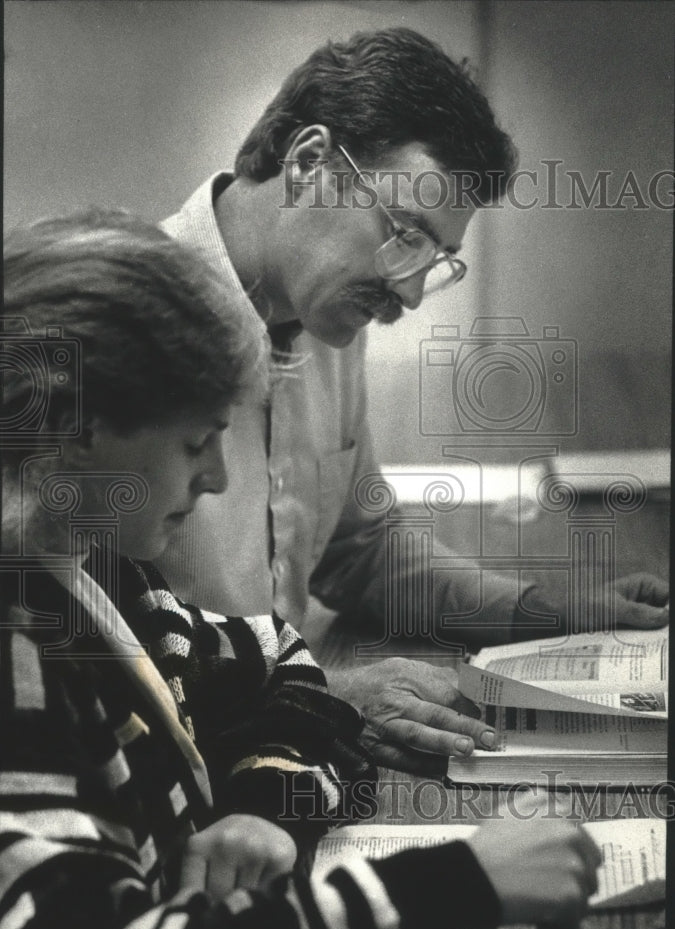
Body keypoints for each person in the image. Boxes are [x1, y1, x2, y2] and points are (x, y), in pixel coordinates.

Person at [0, 211, 602, 929]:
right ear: (79, 433)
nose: (217, 478)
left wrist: (259, 808)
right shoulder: (23, 669)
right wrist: (459, 885)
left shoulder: (106, 574)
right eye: (194, 444)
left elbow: (283, 663)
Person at [155, 26, 670, 775]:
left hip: (285, 757)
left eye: (434, 262)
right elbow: (75, 649)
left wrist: (558, 615)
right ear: (307, 163)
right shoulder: (115, 328)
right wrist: (323, 692)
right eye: (403, 236)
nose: (405, 293)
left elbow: (363, 554)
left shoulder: (323, 314)